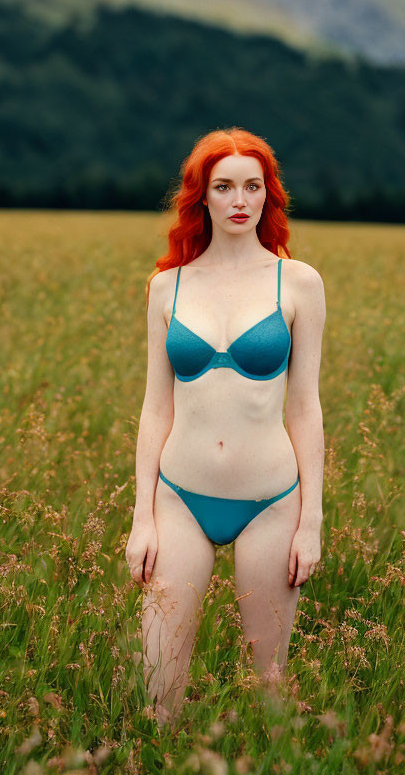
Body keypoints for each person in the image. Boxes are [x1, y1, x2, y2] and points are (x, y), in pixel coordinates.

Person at [125, 127, 326, 727]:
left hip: (271, 501)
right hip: (178, 498)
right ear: (202, 197)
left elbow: (305, 407)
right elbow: (155, 408)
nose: (239, 199)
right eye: (224, 186)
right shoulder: (168, 287)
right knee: (155, 687)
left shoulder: (299, 283)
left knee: (269, 685)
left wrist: (310, 521)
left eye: (252, 186)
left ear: (268, 197)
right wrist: (142, 518)